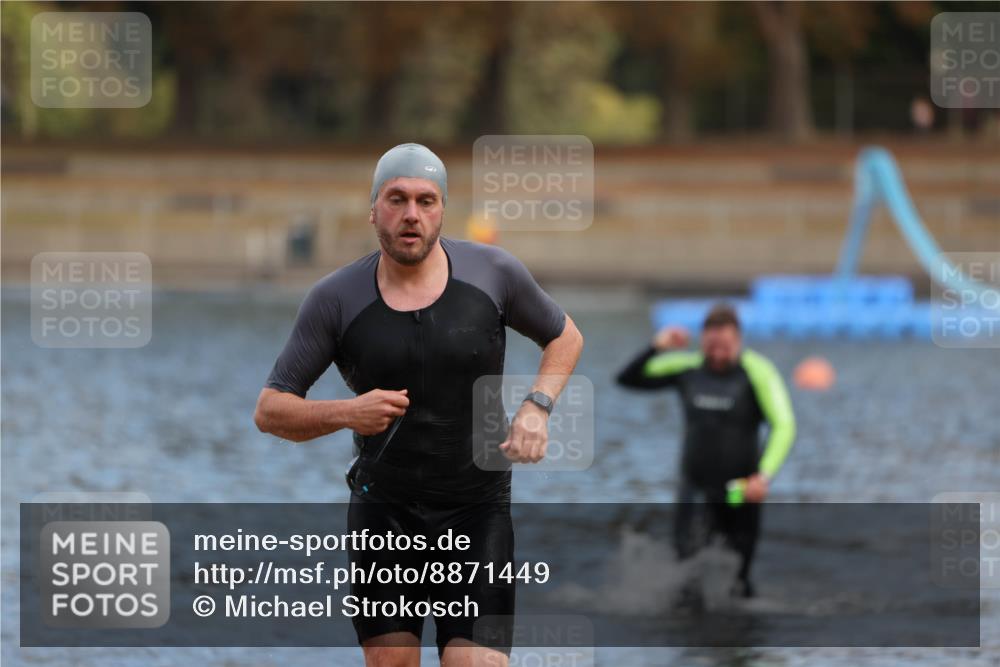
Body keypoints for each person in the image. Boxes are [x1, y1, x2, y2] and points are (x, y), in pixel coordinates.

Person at [254, 143, 584, 667]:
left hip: (477, 512)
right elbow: (271, 409)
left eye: (426, 201)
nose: (412, 214)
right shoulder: (336, 298)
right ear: (373, 210)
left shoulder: (493, 272)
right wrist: (347, 413)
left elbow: (565, 337)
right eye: (397, 199)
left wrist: (536, 407)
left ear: (442, 210)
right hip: (385, 514)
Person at [615, 303, 795, 598]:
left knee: (738, 581)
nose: (717, 353)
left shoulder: (758, 372)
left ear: (738, 340)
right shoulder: (688, 367)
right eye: (711, 345)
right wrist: (656, 347)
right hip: (695, 489)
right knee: (687, 575)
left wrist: (763, 477)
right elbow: (628, 379)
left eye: (724, 345)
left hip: (740, 490)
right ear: (702, 341)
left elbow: (784, 425)